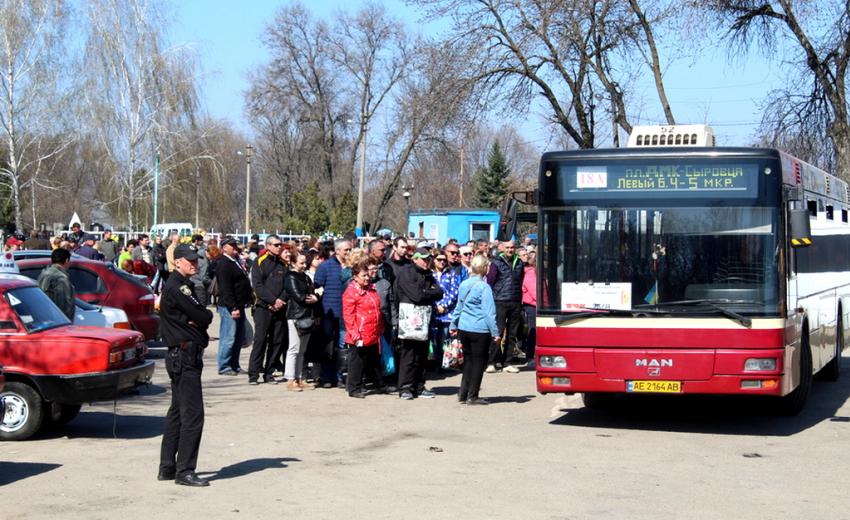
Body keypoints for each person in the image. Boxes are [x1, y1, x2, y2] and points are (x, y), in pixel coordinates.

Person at [158, 243, 214, 487]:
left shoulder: (184, 285)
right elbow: (204, 316)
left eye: (196, 259)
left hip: (183, 354)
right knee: (192, 415)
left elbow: (201, 315)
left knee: (178, 412)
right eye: (189, 260)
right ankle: (185, 470)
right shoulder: (178, 286)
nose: (195, 263)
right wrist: (200, 318)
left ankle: (168, 467)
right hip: (184, 355)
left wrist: (200, 317)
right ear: (177, 261)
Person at [395, 247, 443, 400]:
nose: (426, 262)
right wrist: (427, 293)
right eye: (423, 259)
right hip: (409, 319)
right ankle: (405, 387)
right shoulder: (406, 273)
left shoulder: (428, 274)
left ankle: (419, 386)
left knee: (422, 355)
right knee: (409, 355)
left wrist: (425, 292)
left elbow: (439, 293)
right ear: (414, 259)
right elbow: (415, 295)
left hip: (425, 319)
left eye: (428, 259)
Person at [451, 254, 500, 405]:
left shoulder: (464, 284)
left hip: (464, 328)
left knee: (468, 361)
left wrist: (453, 325)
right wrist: (495, 332)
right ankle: (473, 396)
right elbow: (489, 313)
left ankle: (463, 393)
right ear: (485, 268)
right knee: (478, 363)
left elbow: (459, 306)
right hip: (480, 329)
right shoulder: (484, 287)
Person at [248, 235, 288, 385]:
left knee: (276, 341)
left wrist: (280, 301)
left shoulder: (283, 264)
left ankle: (269, 372)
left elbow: (287, 286)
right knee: (260, 340)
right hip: (263, 308)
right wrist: (271, 301)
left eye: (280, 245)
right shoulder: (260, 261)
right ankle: (253, 374)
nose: (279, 247)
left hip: (279, 308)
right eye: (276, 245)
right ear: (268, 246)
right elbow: (257, 286)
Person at [342, 260, 385, 398]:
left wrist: (380, 326)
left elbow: (377, 309)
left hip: (373, 330)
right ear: (355, 277)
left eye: (367, 275)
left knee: (374, 360)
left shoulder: (371, 289)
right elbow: (348, 315)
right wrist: (354, 333)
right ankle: (354, 388)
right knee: (357, 361)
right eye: (363, 275)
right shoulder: (351, 292)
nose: (367, 278)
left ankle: (379, 384)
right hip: (359, 333)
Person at [313, 239, 350, 388]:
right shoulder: (325, 266)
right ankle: (326, 376)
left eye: (350, 250)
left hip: (346, 313)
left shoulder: (351, 266)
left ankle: (339, 376)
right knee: (328, 345)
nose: (348, 252)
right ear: (337, 250)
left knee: (342, 345)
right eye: (346, 250)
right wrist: (317, 313)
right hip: (328, 312)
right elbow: (317, 289)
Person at [215, 237, 253, 376]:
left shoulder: (235, 261)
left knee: (238, 337)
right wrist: (233, 307)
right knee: (229, 337)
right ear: (224, 248)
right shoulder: (224, 263)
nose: (235, 248)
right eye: (231, 245)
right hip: (229, 306)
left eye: (235, 245)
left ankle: (234, 364)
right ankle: (224, 366)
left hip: (240, 304)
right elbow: (226, 288)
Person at [486, 240, 524, 373]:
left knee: (512, 334)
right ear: (502, 248)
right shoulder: (496, 263)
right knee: (498, 332)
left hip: (515, 300)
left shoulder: (519, 262)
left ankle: (507, 362)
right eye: (507, 247)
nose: (510, 250)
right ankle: (492, 362)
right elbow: (490, 281)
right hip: (500, 301)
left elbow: (520, 280)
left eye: (512, 247)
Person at [284, 251, 319, 391]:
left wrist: (315, 296)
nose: (304, 265)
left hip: (307, 315)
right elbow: (299, 296)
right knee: (294, 347)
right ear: (293, 263)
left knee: (302, 349)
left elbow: (312, 292)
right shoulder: (290, 276)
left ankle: (299, 378)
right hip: (295, 315)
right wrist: (313, 297)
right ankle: (290, 379)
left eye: (305, 263)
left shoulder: (305, 277)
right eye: (301, 263)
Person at [432, 250, 459, 368]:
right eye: (439, 259)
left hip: (447, 313)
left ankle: (444, 364)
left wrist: (444, 305)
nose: (442, 262)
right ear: (434, 260)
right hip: (433, 313)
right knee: (433, 340)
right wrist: (436, 306)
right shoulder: (429, 274)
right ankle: (433, 364)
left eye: (444, 260)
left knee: (444, 340)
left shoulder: (451, 273)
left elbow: (454, 292)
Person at [37, 248, 75, 321]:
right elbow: (64, 305)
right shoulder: (61, 278)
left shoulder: (43, 274)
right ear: (67, 260)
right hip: (57, 321)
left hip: (43, 319)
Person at [519, 246, 538, 365]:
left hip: (533, 305)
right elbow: (535, 292)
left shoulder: (531, 272)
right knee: (532, 331)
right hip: (532, 306)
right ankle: (530, 356)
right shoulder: (530, 273)